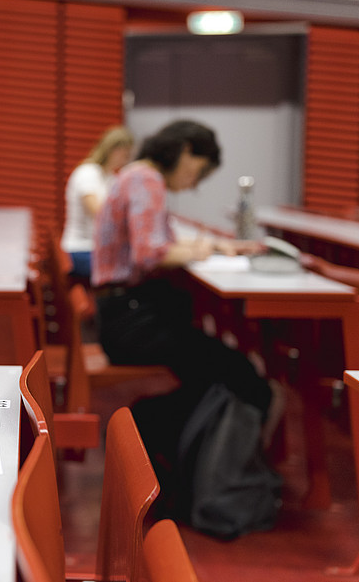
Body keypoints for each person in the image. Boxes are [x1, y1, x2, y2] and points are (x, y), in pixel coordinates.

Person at [91, 119, 283, 449]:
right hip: (131, 320)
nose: (194, 183)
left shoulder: (137, 175)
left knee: (220, 372)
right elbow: (149, 253)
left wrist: (207, 247)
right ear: (185, 150)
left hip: (123, 312)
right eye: (199, 171)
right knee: (240, 377)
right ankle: (146, 431)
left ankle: (164, 440)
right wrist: (205, 249)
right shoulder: (146, 180)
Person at [61, 125, 133, 279]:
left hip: (95, 249)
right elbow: (101, 214)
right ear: (113, 150)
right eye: (125, 154)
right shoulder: (88, 173)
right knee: (136, 269)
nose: (126, 159)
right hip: (80, 250)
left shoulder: (111, 177)